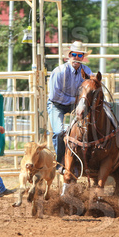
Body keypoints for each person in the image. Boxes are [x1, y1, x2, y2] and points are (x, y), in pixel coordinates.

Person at [47, 41, 92, 173]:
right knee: (58, 132)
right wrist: (77, 100)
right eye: (74, 54)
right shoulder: (59, 72)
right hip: (57, 105)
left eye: (80, 55)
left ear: (83, 57)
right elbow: (55, 96)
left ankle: (79, 161)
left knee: (85, 131)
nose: (76, 58)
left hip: (76, 105)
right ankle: (60, 160)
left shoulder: (87, 71)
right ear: (69, 55)